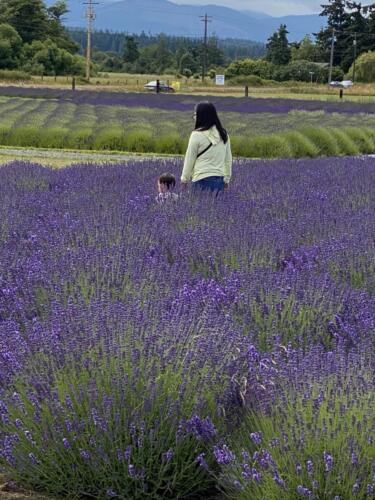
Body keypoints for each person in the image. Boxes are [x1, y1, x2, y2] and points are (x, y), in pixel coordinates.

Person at [181, 101, 232, 194]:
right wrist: (227, 179)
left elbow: (189, 159)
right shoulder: (224, 134)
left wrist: (184, 179)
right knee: (216, 208)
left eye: (195, 114)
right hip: (219, 180)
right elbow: (228, 160)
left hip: (201, 180)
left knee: (198, 207)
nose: (194, 117)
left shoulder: (196, 135)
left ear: (201, 116)